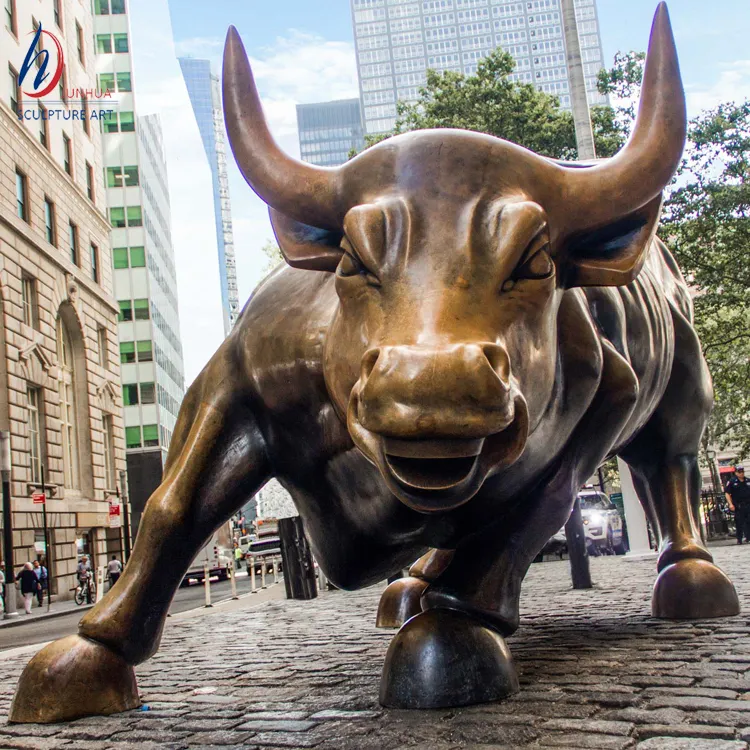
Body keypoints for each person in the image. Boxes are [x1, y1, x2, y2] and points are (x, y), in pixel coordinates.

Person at [725, 466, 750, 544]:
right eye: (739, 472)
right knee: (739, 522)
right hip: (739, 506)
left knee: (748, 522)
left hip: (748, 504)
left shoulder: (748, 481)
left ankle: (748, 537)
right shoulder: (732, 482)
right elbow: (727, 493)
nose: (741, 473)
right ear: (736, 473)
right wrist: (730, 504)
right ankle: (739, 539)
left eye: (742, 472)